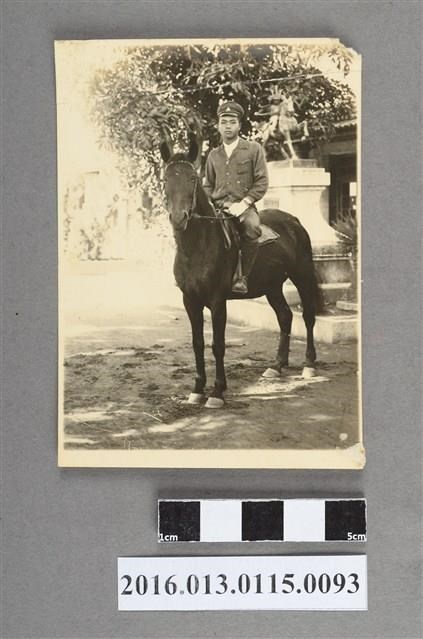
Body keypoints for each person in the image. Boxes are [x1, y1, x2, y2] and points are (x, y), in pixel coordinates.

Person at [203, 101, 269, 294]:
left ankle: (242, 277)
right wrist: (208, 203)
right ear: (218, 126)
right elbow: (208, 185)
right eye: (223, 122)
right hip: (218, 208)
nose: (228, 126)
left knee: (252, 228)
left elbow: (262, 181)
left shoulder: (253, 149)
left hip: (244, 208)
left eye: (232, 122)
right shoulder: (213, 155)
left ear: (239, 125)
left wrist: (245, 203)